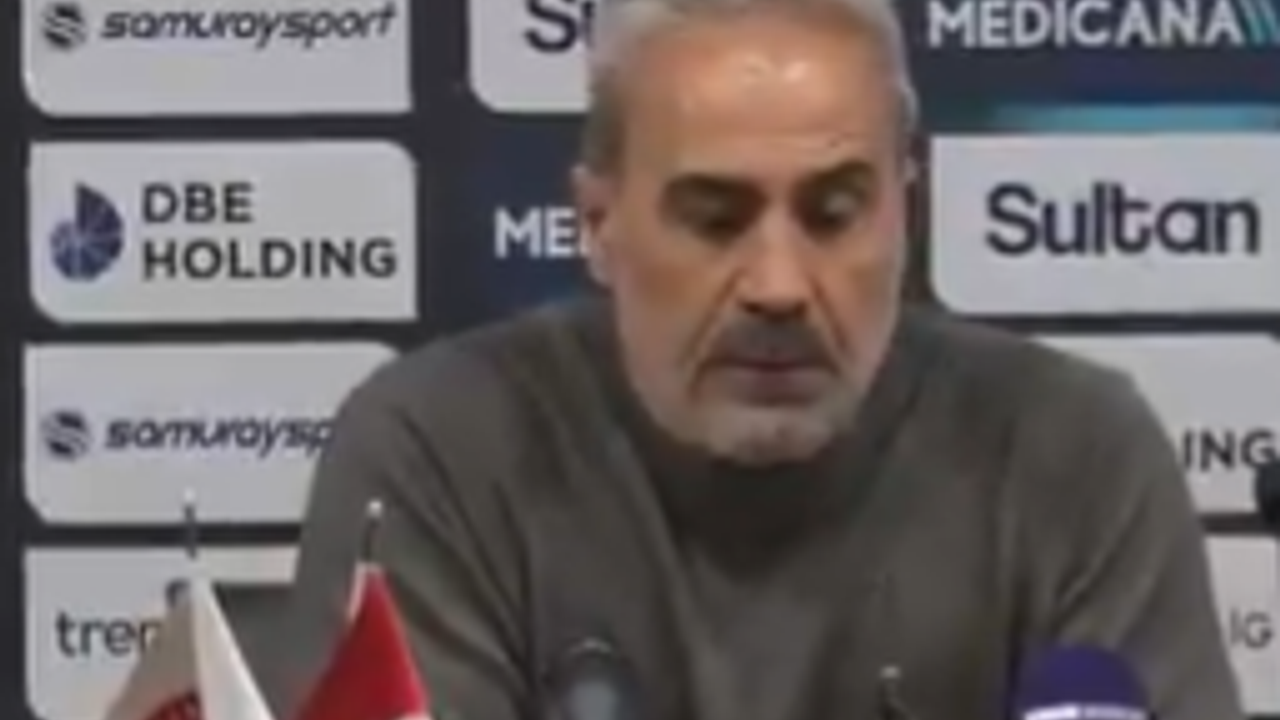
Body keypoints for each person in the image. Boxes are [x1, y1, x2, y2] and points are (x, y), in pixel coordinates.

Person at [277, 0, 1243, 718]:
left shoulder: (1076, 459)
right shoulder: (439, 454)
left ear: (904, 213)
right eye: (715, 218)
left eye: (835, 214)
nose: (779, 284)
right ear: (597, 224)